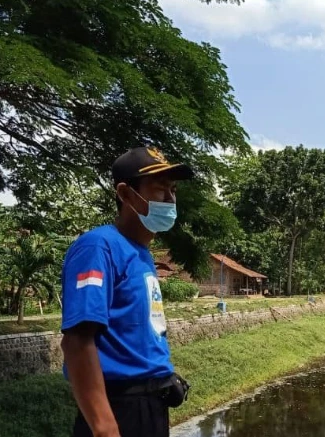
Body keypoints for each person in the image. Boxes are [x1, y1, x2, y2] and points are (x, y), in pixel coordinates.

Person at [60, 146, 193, 437]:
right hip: (118, 410)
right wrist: (105, 427)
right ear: (126, 194)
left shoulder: (142, 254)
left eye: (173, 191)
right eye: (160, 190)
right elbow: (77, 341)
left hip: (150, 407)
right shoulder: (98, 247)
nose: (170, 200)